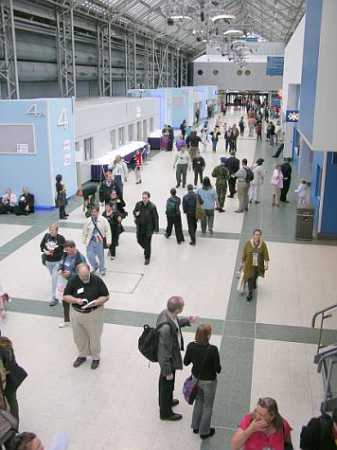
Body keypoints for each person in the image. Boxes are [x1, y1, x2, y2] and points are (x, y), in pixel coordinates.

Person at [157, 296, 197, 421]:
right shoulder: (166, 329)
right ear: (177, 309)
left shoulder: (166, 313)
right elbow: (164, 353)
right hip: (168, 362)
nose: (183, 308)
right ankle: (165, 413)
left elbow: (176, 322)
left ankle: (166, 401)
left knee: (167, 385)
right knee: (166, 384)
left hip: (170, 359)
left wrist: (187, 321)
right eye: (182, 307)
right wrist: (167, 371)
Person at [63, 263, 109, 370]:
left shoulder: (97, 280)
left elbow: (106, 296)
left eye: (87, 275)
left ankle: (96, 357)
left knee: (94, 337)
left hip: (94, 313)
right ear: (77, 273)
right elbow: (65, 296)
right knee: (78, 337)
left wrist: (97, 302)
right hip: (76, 313)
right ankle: (82, 355)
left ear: (89, 270)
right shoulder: (73, 280)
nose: (85, 278)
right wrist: (75, 300)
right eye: (82, 276)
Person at [184, 324, 221, 440]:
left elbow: (186, 362)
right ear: (208, 336)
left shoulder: (191, 346)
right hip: (209, 381)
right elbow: (218, 369)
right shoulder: (213, 349)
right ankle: (204, 431)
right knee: (208, 406)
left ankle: (195, 426)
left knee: (199, 401)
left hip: (196, 379)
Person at [57, 240, 86, 328]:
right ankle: (67, 321)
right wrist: (60, 270)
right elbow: (61, 264)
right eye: (66, 250)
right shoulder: (65, 254)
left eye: (69, 250)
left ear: (74, 247)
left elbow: (84, 273)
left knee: (76, 302)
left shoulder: (80, 258)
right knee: (64, 301)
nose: (67, 252)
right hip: (64, 281)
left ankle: (81, 321)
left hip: (75, 284)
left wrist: (71, 274)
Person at [0, 336, 27, 425]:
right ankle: (14, 427)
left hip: (7, 383)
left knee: (10, 404)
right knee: (12, 403)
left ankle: (12, 428)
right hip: (12, 380)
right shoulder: (5, 343)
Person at [40, 224, 65, 306]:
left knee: (54, 278)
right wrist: (45, 251)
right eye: (50, 230)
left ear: (57, 231)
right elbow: (42, 245)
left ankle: (54, 297)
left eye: (53, 230)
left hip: (57, 261)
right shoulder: (46, 236)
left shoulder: (61, 238)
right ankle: (61, 285)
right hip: (48, 261)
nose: (51, 232)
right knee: (54, 277)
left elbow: (64, 250)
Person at [241, 229, 269, 302]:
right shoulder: (248, 243)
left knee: (255, 276)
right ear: (253, 235)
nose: (257, 236)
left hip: (258, 265)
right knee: (249, 278)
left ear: (260, 236)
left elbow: (266, 254)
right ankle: (250, 293)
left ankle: (254, 282)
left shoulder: (263, 244)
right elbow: (244, 253)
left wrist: (266, 264)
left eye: (259, 235)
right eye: (256, 234)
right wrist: (242, 263)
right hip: (249, 265)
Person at [82, 206, 111, 276]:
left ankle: (102, 269)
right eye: (92, 212)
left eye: (95, 212)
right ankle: (95, 266)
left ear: (98, 212)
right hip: (91, 241)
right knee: (89, 255)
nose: (93, 213)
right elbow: (85, 231)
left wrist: (108, 241)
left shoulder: (103, 220)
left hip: (99, 241)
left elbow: (108, 231)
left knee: (101, 256)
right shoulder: (88, 221)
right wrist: (84, 240)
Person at [133, 191, 159, 265]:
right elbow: (134, 211)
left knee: (147, 243)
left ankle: (147, 258)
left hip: (148, 228)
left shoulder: (152, 207)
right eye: (143, 198)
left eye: (145, 198)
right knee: (139, 240)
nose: (144, 199)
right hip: (140, 227)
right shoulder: (139, 204)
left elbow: (156, 218)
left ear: (148, 198)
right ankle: (146, 249)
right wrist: (136, 213)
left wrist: (156, 228)